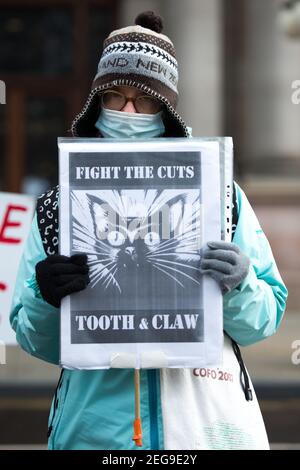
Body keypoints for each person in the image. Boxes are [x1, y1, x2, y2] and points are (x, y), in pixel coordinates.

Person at [10, 11, 287, 450]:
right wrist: (46, 298)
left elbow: (264, 320)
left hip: (206, 431)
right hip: (95, 437)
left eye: (144, 98)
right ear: (96, 104)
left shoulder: (220, 196)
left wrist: (240, 285)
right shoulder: (59, 204)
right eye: (114, 97)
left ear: (167, 109)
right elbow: (37, 341)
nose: (128, 110)